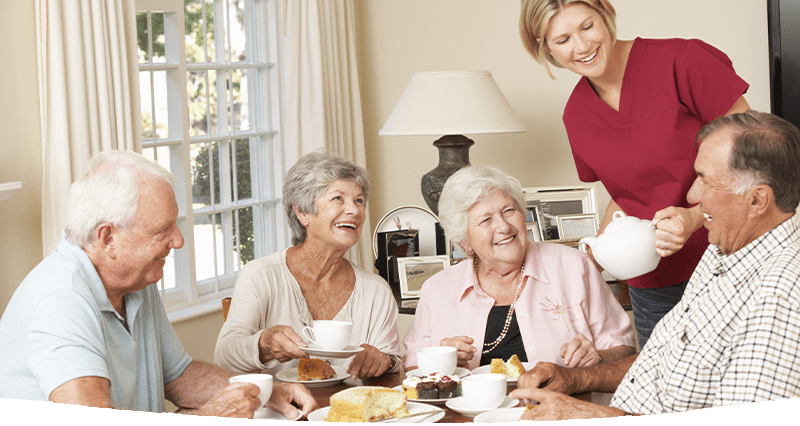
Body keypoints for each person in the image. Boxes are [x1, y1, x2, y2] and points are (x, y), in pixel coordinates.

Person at [510, 111, 800, 418]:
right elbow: (663, 363)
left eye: (705, 181)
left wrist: (589, 415)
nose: (691, 195)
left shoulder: (781, 295)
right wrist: (573, 378)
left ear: (757, 201)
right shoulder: (725, 252)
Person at [0, 151, 317, 419]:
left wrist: (265, 391)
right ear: (108, 237)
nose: (178, 241)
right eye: (163, 230)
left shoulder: (135, 280)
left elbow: (179, 376)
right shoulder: (62, 300)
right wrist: (210, 417)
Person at [519, 0, 752, 349]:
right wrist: (588, 263)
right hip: (652, 287)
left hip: (733, 264)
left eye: (587, 27)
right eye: (563, 39)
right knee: (664, 398)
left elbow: (754, 156)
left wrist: (693, 217)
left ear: (606, 15)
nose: (581, 47)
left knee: (745, 398)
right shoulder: (576, 116)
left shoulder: (682, 62)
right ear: (545, 49)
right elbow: (628, 193)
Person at [402, 165, 635, 371]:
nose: (503, 226)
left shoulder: (574, 266)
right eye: (486, 220)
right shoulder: (438, 289)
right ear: (465, 241)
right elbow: (412, 365)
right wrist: (442, 360)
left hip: (559, 408)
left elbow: (623, 348)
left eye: (508, 211)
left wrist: (597, 357)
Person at [215, 151, 402, 380]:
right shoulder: (260, 276)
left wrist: (384, 360)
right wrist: (265, 345)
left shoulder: (376, 291)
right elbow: (224, 354)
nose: (354, 210)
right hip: (279, 411)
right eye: (338, 199)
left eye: (359, 201)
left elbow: (393, 361)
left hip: (349, 412)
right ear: (302, 212)